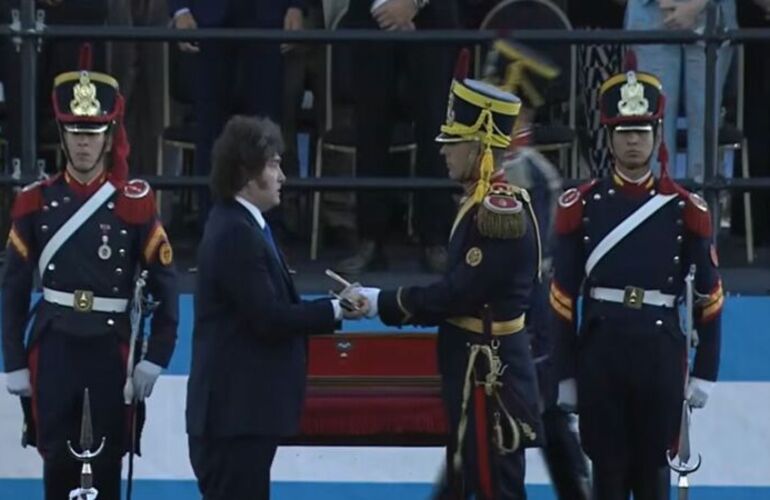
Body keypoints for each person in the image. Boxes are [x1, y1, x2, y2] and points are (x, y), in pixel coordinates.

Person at [344, 51, 544, 499]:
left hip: (488, 376)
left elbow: (458, 294)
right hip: (475, 371)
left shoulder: (496, 212)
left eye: (453, 141)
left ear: (478, 147)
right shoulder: (478, 203)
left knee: (494, 485)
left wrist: (380, 302)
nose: (442, 150)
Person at [1, 45, 179, 499]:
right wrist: (14, 361)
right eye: (75, 132)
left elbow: (166, 284)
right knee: (58, 463)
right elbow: (13, 290)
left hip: (111, 345)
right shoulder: (34, 202)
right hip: (55, 345)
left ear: (109, 135)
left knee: (107, 459)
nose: (84, 142)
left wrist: (156, 355)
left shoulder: (134, 202)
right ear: (62, 136)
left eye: (93, 132)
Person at [550, 55, 723, 500]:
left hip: (659, 353)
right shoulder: (582, 205)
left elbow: (710, 294)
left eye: (642, 132)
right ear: (609, 137)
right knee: (607, 475)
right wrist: (564, 373)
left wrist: (705, 371)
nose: (633, 141)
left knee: (653, 476)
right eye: (624, 131)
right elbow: (562, 297)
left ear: (657, 136)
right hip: (601, 353)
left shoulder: (685, 208)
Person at [186, 115, 366, 500]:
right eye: (273, 165)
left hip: (241, 418)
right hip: (234, 421)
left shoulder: (241, 226)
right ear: (246, 173)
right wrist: (337, 309)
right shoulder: (236, 233)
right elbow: (269, 317)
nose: (282, 176)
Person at [485, 39, 592, 499]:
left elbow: (539, 257)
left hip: (527, 312)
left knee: (542, 413)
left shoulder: (532, 174)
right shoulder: (490, 167)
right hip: (500, 309)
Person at [333, 0, 459, 274]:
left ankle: (435, 240)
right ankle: (370, 240)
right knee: (370, 127)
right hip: (371, 16)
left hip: (432, 20)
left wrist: (412, 3)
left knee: (434, 125)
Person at [168, 0, 303, 228]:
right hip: (205, 18)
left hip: (268, 16)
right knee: (210, 128)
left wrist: (295, 6)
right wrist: (180, 9)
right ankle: (212, 228)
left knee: (266, 128)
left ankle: (266, 231)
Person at [625, 0, 737, 180]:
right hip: (650, 14)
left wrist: (697, 4)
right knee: (656, 121)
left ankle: (700, 196)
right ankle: (659, 195)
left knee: (704, 120)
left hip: (713, 15)